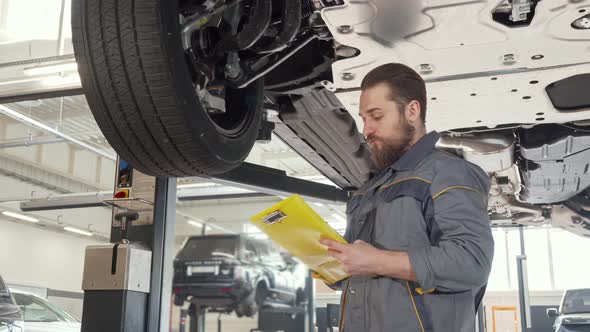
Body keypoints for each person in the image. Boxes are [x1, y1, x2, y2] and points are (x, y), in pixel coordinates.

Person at [317, 63, 494, 332]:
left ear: (412, 111)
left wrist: (376, 260)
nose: (367, 130)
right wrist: (334, 267)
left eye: (376, 116)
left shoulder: (449, 173)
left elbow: (472, 261)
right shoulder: (369, 189)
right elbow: (367, 270)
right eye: (364, 118)